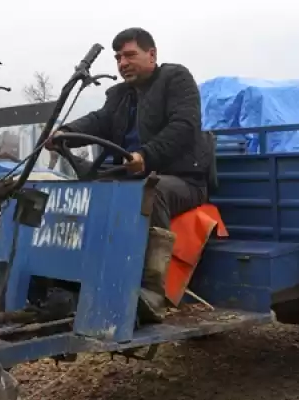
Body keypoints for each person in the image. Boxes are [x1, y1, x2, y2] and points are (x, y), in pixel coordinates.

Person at [46, 27, 212, 322]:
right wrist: (65, 133)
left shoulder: (176, 79)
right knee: (90, 193)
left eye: (130, 55)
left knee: (152, 191)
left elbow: (184, 126)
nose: (122, 63)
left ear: (152, 55)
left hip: (183, 179)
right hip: (132, 175)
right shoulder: (120, 95)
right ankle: (77, 280)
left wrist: (147, 155)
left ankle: (151, 292)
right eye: (118, 57)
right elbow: (99, 121)